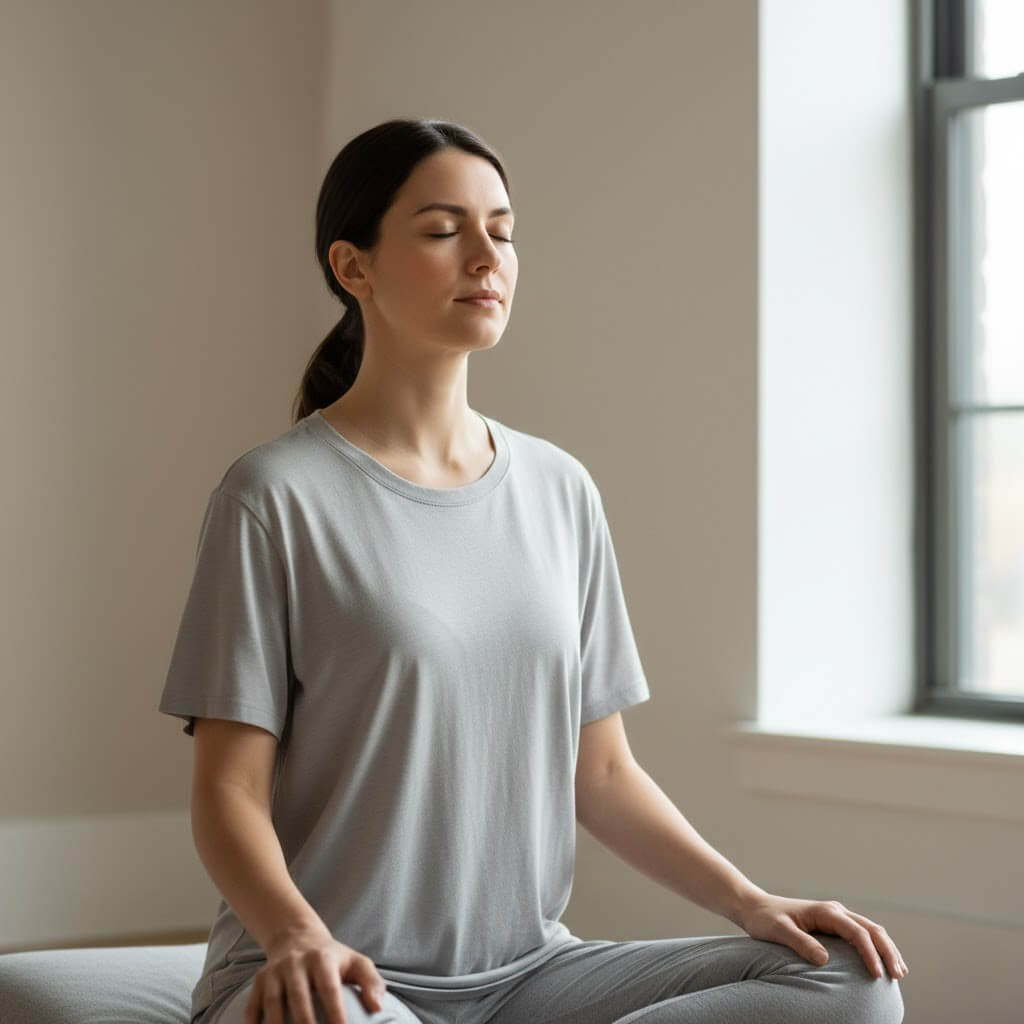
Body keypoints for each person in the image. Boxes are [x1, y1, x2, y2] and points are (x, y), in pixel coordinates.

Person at [158, 118, 907, 1024]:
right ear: (352, 268)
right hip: (329, 979)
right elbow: (229, 792)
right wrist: (293, 936)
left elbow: (602, 774)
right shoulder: (273, 496)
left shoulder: (560, 488)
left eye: (503, 233)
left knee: (846, 979)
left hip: (526, 977)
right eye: (444, 231)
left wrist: (749, 902)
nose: (487, 257)